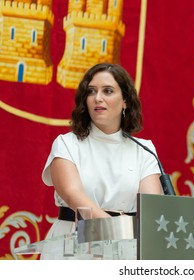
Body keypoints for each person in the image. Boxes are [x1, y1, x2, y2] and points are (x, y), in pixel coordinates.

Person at [41, 63, 163, 259]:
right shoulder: (66, 144)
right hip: (73, 243)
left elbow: (150, 208)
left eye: (107, 91)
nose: (98, 98)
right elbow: (74, 196)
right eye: (91, 91)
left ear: (125, 101)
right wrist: (117, 231)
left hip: (125, 250)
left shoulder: (144, 150)